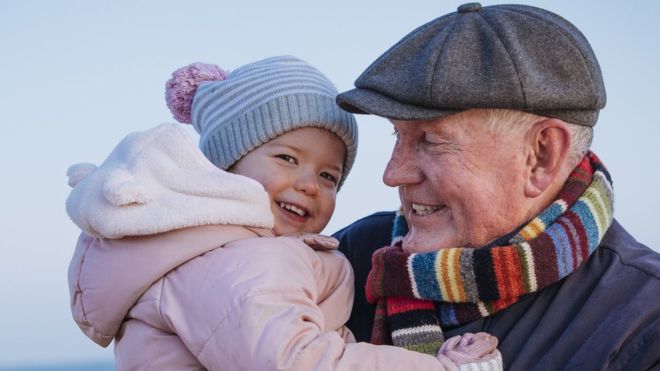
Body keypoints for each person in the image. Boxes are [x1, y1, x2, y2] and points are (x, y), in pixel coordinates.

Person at [66, 55, 502, 370]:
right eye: (287, 159)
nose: (309, 184)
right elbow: (297, 361)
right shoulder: (234, 262)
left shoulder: (212, 248)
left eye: (330, 176)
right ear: (224, 165)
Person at [334, 3, 660, 370]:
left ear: (541, 156)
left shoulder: (644, 324)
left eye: (431, 139)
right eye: (398, 134)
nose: (393, 173)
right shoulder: (351, 255)